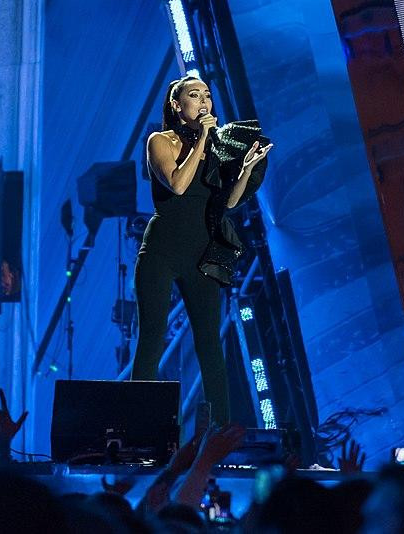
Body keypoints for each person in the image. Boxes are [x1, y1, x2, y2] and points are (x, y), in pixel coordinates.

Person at [131, 75, 273, 425]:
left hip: (201, 251)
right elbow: (178, 184)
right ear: (177, 105)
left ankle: (220, 429)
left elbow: (229, 202)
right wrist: (205, 140)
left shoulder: (216, 148)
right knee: (152, 337)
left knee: (209, 342)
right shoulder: (159, 141)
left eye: (207, 95)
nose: (204, 101)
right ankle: (137, 423)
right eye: (194, 95)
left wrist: (245, 169)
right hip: (162, 249)